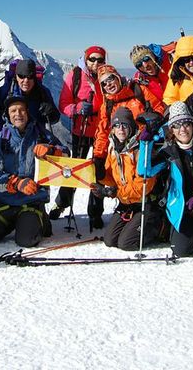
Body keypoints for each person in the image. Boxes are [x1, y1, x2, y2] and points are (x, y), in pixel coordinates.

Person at [0, 96, 68, 247]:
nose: (18, 114)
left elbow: (66, 154)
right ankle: (17, 222)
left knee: (26, 240)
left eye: (22, 110)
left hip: (32, 201)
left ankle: (36, 219)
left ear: (27, 112)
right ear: (8, 115)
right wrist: (15, 183)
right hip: (6, 201)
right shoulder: (1, 139)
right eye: (13, 111)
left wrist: (51, 150)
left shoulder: (40, 135)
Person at [138, 102, 193, 260]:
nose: (182, 129)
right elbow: (145, 171)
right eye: (177, 125)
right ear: (171, 129)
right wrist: (146, 143)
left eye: (186, 124)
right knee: (181, 250)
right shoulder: (169, 151)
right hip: (183, 207)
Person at [91, 64, 165, 230]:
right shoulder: (107, 106)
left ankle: (153, 214)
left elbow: (159, 108)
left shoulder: (137, 91)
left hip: (144, 145)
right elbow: (102, 132)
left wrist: (152, 123)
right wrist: (98, 156)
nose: (109, 84)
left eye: (111, 79)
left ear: (118, 77)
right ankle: (127, 206)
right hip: (122, 149)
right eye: (104, 83)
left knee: (146, 181)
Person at [93, 107, 164, 251]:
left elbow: (141, 189)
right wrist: (101, 175)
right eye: (116, 125)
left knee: (126, 243)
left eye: (125, 125)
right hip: (127, 203)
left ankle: (160, 228)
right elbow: (113, 178)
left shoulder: (140, 149)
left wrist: (114, 193)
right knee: (109, 240)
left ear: (131, 127)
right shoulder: (114, 148)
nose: (121, 129)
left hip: (145, 203)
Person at [52, 45, 105, 222]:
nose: (96, 63)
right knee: (73, 169)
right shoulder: (75, 75)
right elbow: (64, 104)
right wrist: (78, 108)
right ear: (86, 59)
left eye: (100, 60)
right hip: (80, 130)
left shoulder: (106, 76)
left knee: (98, 171)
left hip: (100, 132)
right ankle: (61, 203)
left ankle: (95, 212)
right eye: (92, 59)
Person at [0, 58, 60, 131]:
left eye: (30, 77)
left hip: (36, 138)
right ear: (16, 76)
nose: (26, 80)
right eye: (22, 76)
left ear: (34, 77)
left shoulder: (43, 92)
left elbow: (55, 118)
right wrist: (8, 127)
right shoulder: (6, 91)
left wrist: (50, 114)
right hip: (9, 139)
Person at [162, 35, 193, 106]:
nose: (191, 63)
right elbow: (169, 99)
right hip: (184, 115)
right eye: (186, 59)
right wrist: (176, 113)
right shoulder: (177, 76)